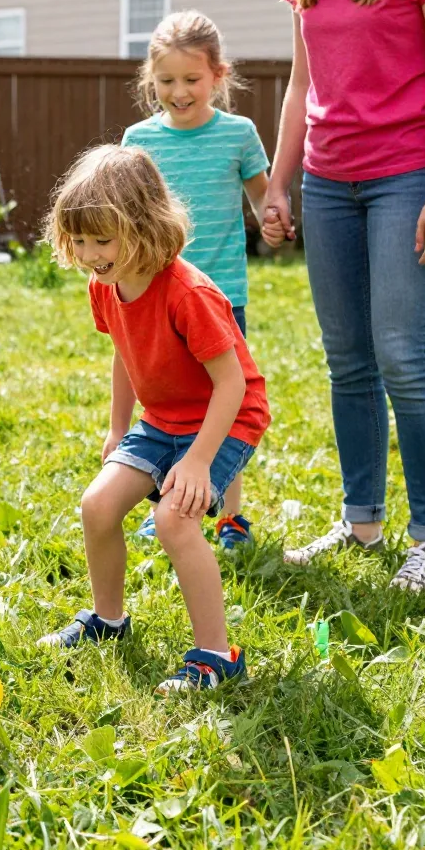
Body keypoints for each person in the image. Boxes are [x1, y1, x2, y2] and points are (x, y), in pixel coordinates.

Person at [37, 145, 271, 693]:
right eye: (81, 240)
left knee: (174, 520)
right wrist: (119, 427)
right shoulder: (106, 285)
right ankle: (108, 620)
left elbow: (233, 383)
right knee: (97, 504)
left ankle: (217, 655)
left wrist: (197, 460)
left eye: (103, 238)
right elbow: (123, 351)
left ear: (143, 224)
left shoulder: (187, 292)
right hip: (162, 419)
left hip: (225, 418)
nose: (92, 254)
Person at [267, 0, 425, 591]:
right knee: (347, 359)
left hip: (407, 174)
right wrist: (279, 182)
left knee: (403, 353)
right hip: (328, 181)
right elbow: (302, 85)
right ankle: (361, 523)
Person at [122, 10, 287, 550]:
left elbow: (263, 198)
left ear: (219, 75)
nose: (179, 91)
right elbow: (126, 211)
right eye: (166, 80)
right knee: (169, 404)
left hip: (221, 298)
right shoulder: (138, 138)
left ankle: (229, 514)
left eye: (191, 79)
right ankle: (169, 498)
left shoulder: (238, 134)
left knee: (223, 404)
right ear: (151, 80)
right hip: (157, 296)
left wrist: (274, 219)